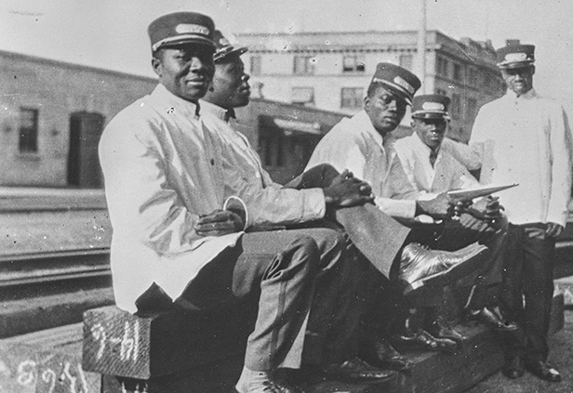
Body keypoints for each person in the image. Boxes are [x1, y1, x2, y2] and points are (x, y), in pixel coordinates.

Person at [98, 14, 473, 393]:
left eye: (204, 56)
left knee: (325, 240)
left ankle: (311, 360)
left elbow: (243, 198)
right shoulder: (135, 126)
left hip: (204, 255)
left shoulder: (200, 126)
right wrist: (213, 225)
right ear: (156, 65)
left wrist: (235, 216)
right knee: (298, 247)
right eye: (184, 56)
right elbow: (150, 224)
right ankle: (257, 376)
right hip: (164, 273)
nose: (198, 66)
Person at [305, 64, 491, 366]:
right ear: (366, 103)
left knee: (431, 234)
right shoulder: (351, 136)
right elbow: (360, 203)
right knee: (395, 248)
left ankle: (394, 330)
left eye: (401, 104)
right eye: (385, 100)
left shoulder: (386, 143)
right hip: (329, 222)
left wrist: (440, 204)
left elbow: (404, 195)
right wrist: (423, 208)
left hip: (364, 227)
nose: (393, 108)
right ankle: (374, 339)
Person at [469, 43, 573, 382]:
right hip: (502, 218)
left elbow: (562, 164)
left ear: (532, 70)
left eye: (523, 71)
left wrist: (557, 213)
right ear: (501, 74)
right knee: (508, 290)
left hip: (537, 218)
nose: (517, 77)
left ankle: (537, 356)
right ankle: (513, 354)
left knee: (539, 290)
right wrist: (480, 206)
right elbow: (479, 164)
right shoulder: (488, 113)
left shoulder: (551, 109)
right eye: (510, 72)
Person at [392, 94, 518, 344]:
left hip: (434, 228)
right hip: (404, 229)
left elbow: (467, 186)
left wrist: (483, 205)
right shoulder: (401, 150)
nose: (434, 128)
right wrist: (452, 203)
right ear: (413, 123)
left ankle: (477, 301)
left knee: (499, 223)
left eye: (440, 123)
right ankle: (425, 320)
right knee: (434, 233)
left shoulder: (446, 158)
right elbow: (404, 195)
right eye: (427, 122)